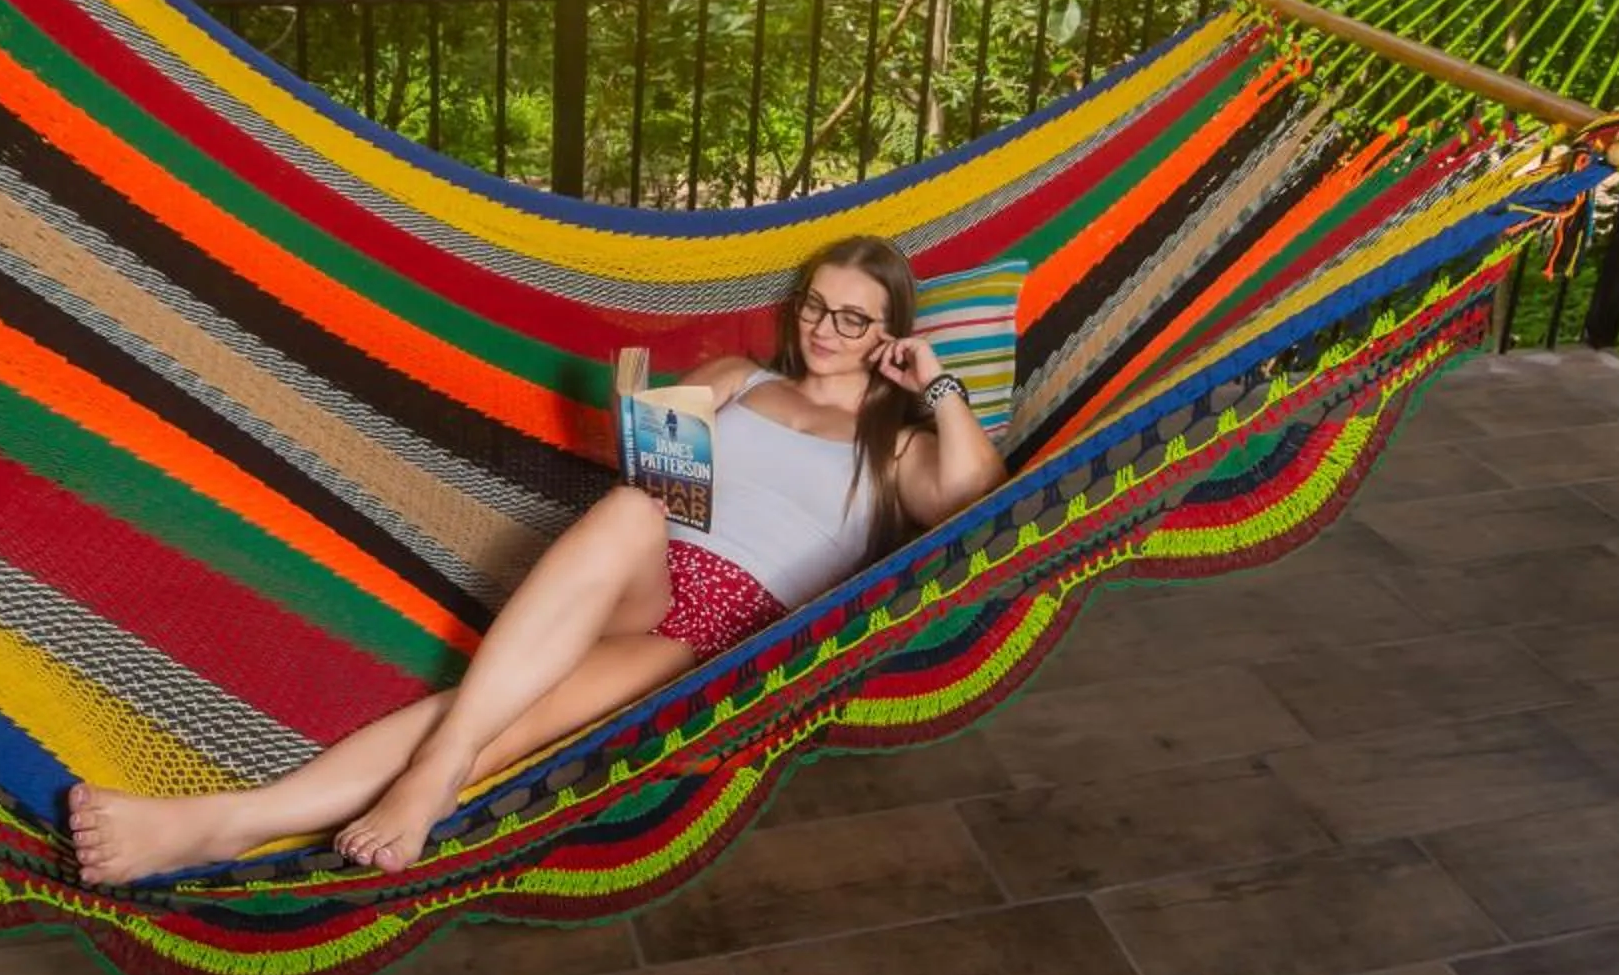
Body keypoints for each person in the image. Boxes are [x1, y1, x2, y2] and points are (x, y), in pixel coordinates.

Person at [66, 232, 1010, 884]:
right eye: (815, 306)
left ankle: (225, 822)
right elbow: (654, 468)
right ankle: (429, 777)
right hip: (634, 565)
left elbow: (977, 497)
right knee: (634, 507)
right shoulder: (738, 378)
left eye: (853, 319)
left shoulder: (898, 447)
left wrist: (938, 385)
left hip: (711, 632)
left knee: (490, 714)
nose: (825, 330)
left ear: (888, 333)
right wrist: (640, 426)